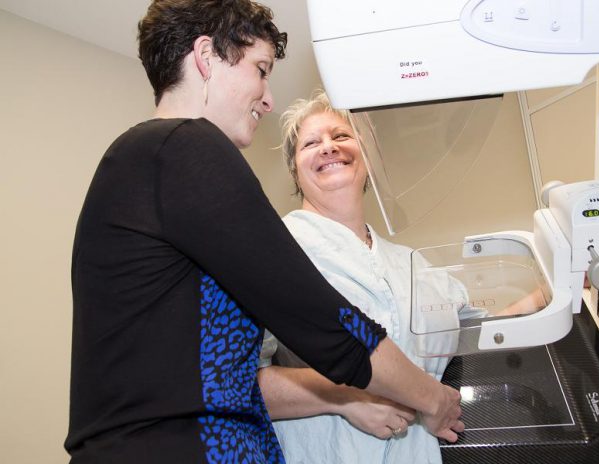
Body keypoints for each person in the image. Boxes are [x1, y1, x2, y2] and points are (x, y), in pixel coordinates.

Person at [64, 1, 463, 463]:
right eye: (260, 69)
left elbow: (215, 369)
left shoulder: (150, 161)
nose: (268, 98)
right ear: (206, 56)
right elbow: (326, 323)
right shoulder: (184, 146)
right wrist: (433, 399)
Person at [257, 90, 471, 464]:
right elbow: (231, 384)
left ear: (368, 157)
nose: (328, 148)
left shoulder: (410, 264)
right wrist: (344, 396)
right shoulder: (274, 250)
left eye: (341, 136)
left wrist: (553, 291)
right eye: (311, 143)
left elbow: (476, 327)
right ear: (295, 170)